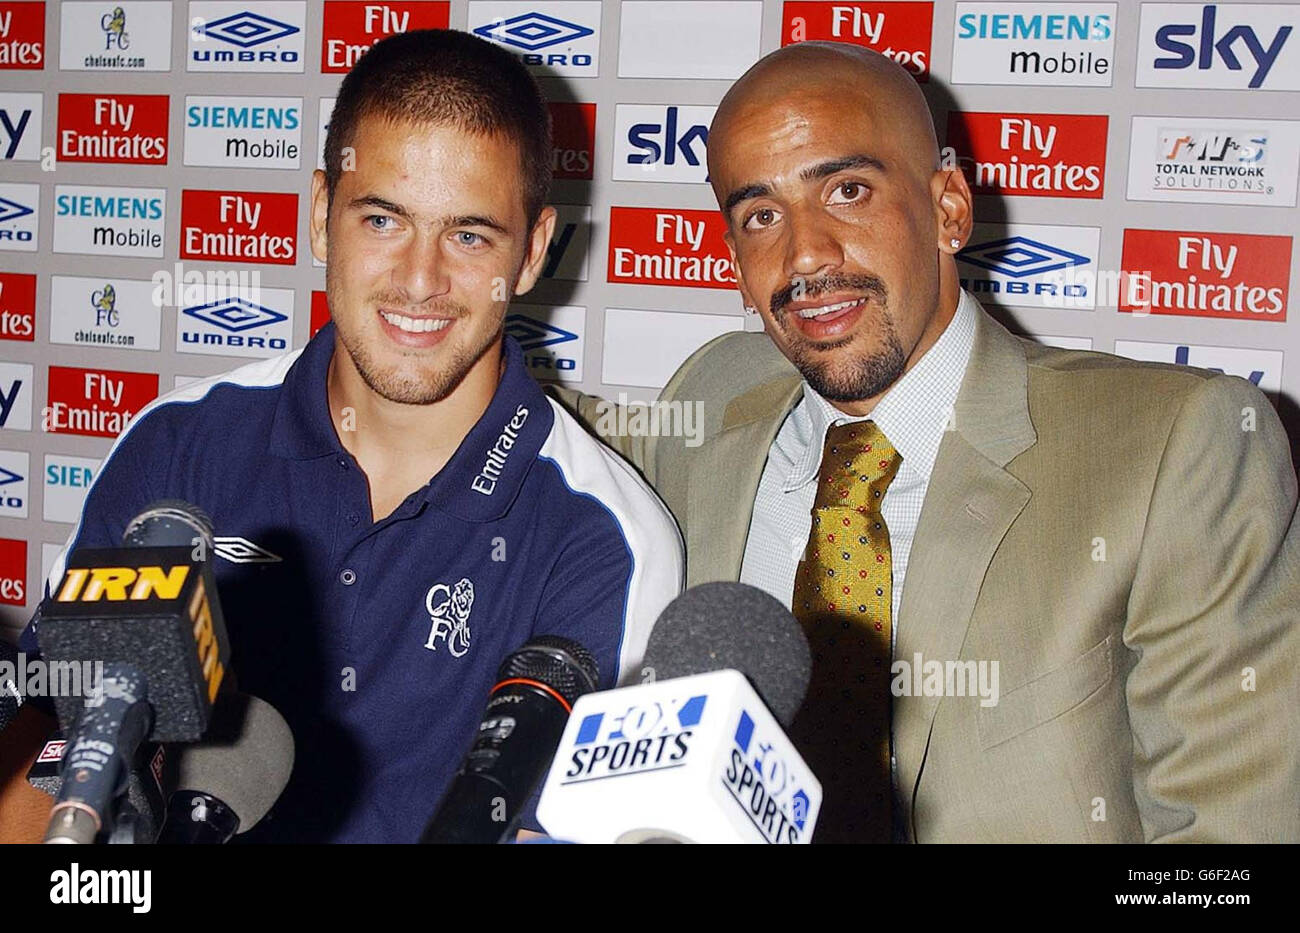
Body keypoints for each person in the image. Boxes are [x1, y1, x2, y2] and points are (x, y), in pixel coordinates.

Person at [551, 42, 1300, 843]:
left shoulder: (1169, 446)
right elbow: (532, 415)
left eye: (847, 190)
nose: (805, 254)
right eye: (761, 215)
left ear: (949, 208)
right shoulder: (712, 394)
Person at [21, 29, 683, 842]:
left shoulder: (607, 538)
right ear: (319, 215)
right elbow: (48, 771)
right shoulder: (178, 445)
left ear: (535, 249)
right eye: (383, 219)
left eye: (469, 235)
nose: (419, 279)